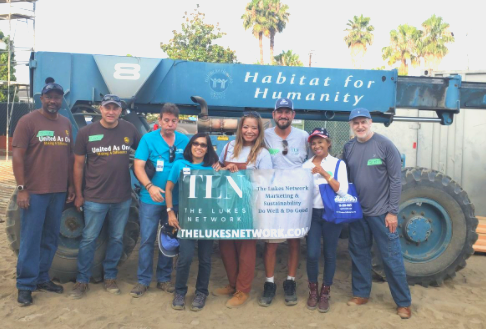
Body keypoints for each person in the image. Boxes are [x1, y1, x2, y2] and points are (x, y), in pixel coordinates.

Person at [69, 94, 141, 299]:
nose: (111, 112)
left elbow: (146, 151)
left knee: (116, 239)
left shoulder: (129, 130)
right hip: (94, 198)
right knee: (88, 239)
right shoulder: (86, 133)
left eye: (115, 108)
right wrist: (79, 194)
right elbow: (78, 165)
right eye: (107, 108)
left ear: (120, 111)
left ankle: (110, 277)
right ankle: (82, 281)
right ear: (100, 109)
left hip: (122, 198)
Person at [343, 108, 412, 319]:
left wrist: (392, 211)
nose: (360, 126)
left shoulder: (385, 145)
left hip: (382, 214)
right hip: (358, 213)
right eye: (356, 123)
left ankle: (403, 303)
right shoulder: (348, 147)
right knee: (359, 254)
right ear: (351, 125)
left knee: (391, 257)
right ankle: (362, 294)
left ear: (370, 122)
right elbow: (343, 176)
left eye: (363, 122)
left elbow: (396, 180)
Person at [12, 80, 75, 306]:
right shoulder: (27, 121)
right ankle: (25, 285)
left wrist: (70, 185)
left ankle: (41, 278)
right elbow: (17, 156)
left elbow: (68, 157)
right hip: (35, 192)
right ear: (42, 98)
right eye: (49, 97)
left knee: (50, 239)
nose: (53, 101)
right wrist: (22, 189)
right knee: (30, 239)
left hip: (58, 192)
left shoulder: (66, 123)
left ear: (61, 100)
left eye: (57, 97)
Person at [213, 111, 273, 308]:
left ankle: (243, 290)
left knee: (245, 248)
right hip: (227, 203)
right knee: (226, 245)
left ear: (259, 130)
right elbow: (219, 170)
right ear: (240, 128)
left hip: (249, 205)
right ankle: (232, 284)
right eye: (246, 126)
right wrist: (219, 168)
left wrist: (242, 173)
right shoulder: (229, 147)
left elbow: (267, 181)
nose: (249, 131)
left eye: (253, 127)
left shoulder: (263, 153)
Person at [130, 103, 189, 297]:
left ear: (177, 122)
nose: (170, 124)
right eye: (166, 120)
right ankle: (143, 280)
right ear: (159, 121)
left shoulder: (183, 140)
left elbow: (196, 161)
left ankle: (164, 279)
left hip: (175, 200)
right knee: (146, 239)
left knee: (169, 239)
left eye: (174, 121)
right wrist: (149, 186)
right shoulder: (148, 139)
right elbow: (138, 166)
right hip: (150, 199)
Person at [260, 98, 309, 307]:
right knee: (271, 242)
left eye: (287, 112)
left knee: (294, 240)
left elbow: (313, 160)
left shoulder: (304, 137)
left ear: (293, 115)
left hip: (296, 197)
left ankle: (290, 281)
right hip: (272, 196)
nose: (283, 115)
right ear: (274, 115)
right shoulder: (265, 136)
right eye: (280, 112)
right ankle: (269, 283)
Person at [166, 133, 220, 312]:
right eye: (195, 144)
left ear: (208, 148)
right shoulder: (179, 164)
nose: (199, 147)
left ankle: (201, 293)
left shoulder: (213, 167)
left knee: (205, 259)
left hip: (207, 219)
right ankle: (180, 292)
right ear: (190, 146)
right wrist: (170, 212)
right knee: (185, 257)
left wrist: (229, 168)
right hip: (187, 219)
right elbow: (169, 188)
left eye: (203, 145)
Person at [302, 128, 348, 313]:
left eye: (320, 142)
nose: (316, 146)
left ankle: (325, 292)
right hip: (312, 215)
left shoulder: (338, 164)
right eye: (313, 143)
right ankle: (313, 291)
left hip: (331, 215)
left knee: (330, 254)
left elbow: (342, 191)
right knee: (312, 254)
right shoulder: (305, 166)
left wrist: (323, 173)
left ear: (328, 143)